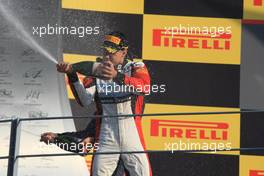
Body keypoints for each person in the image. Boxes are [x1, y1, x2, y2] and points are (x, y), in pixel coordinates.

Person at [54, 31, 152, 176]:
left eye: (111, 52)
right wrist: (72, 74)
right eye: (105, 50)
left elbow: (145, 87)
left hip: (133, 136)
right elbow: (84, 100)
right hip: (106, 136)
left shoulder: (135, 67)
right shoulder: (97, 71)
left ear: (123, 52)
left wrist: (117, 77)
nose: (107, 55)